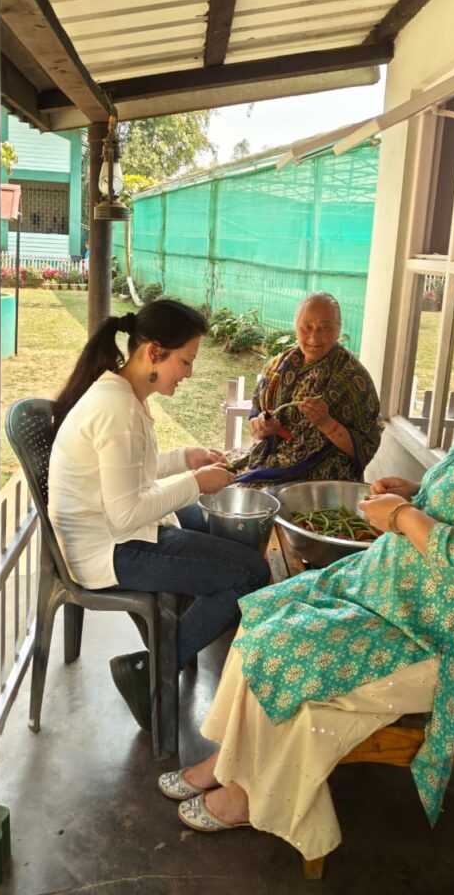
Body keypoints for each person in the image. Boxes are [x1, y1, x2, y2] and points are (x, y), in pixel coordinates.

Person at [158, 309, 454, 862]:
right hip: (394, 598)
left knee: (284, 649)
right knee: (264, 610)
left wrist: (406, 517)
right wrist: (416, 493)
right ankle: (227, 763)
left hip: (444, 641)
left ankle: (250, 797)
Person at [48, 299, 271, 730]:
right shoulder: (117, 408)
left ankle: (173, 637)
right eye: (185, 361)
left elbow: (131, 470)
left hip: (110, 534)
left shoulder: (120, 393)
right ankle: (155, 668)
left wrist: (185, 458)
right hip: (108, 550)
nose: (189, 373)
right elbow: (125, 515)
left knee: (213, 530)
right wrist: (196, 482)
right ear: (154, 352)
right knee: (251, 573)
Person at [231, 292, 382, 485]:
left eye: (325, 327)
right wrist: (261, 427)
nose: (314, 337)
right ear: (296, 327)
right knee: (219, 480)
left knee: (245, 494)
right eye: (307, 327)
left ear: (338, 330)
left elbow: (365, 447)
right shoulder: (277, 366)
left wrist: (326, 423)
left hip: (322, 479)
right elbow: (256, 419)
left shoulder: (352, 377)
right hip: (269, 461)